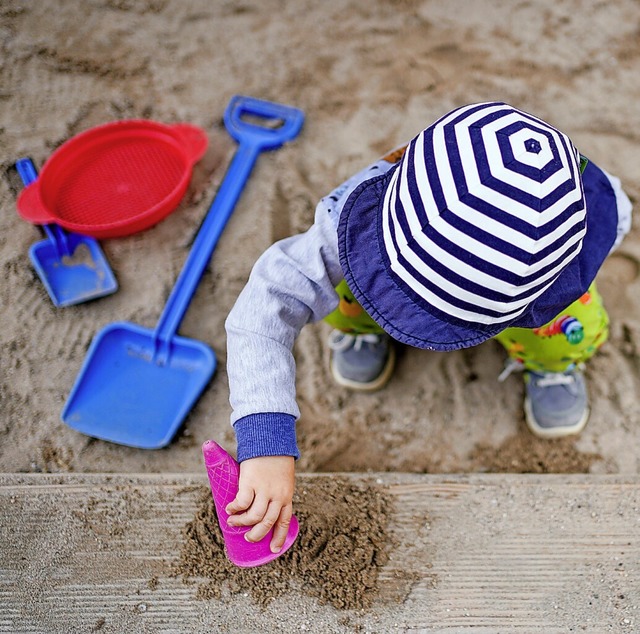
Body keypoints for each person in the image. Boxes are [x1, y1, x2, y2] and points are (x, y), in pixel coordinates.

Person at [222, 102, 633, 553]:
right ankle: (366, 322)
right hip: (388, 255)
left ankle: (549, 361)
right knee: (346, 287)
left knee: (566, 324)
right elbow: (267, 302)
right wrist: (265, 438)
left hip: (530, 297)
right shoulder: (352, 219)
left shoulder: (596, 213)